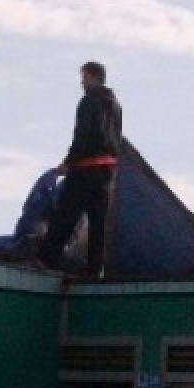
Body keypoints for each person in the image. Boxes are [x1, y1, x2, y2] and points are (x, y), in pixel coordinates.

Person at [40, 61, 123, 279]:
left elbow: (82, 136)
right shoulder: (115, 105)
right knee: (98, 223)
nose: (82, 82)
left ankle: (47, 258)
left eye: (84, 77)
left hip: (86, 168)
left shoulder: (89, 102)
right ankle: (95, 270)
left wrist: (68, 162)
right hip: (107, 172)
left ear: (94, 77)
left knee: (65, 215)